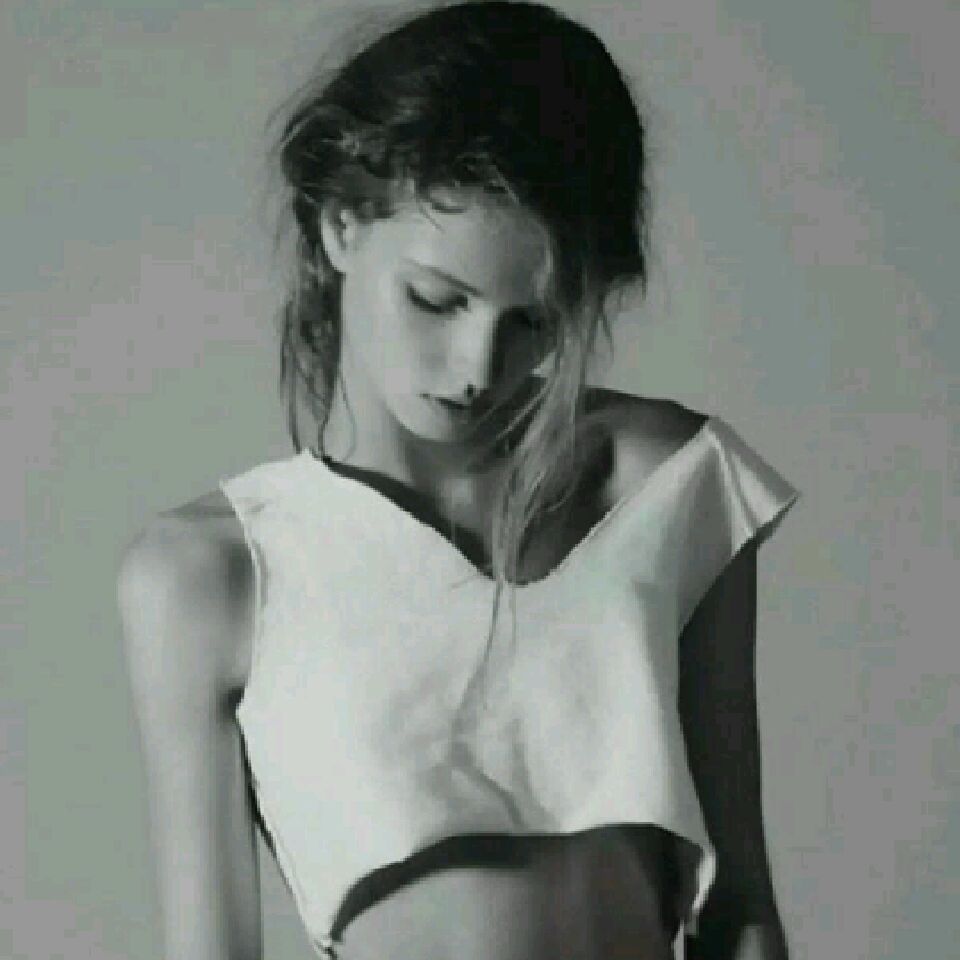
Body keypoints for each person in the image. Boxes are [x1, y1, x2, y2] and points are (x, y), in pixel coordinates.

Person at [116, 3, 800, 958]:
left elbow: (741, 908)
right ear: (342, 224)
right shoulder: (210, 574)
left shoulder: (670, 485)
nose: (480, 367)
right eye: (438, 300)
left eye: (534, 322)